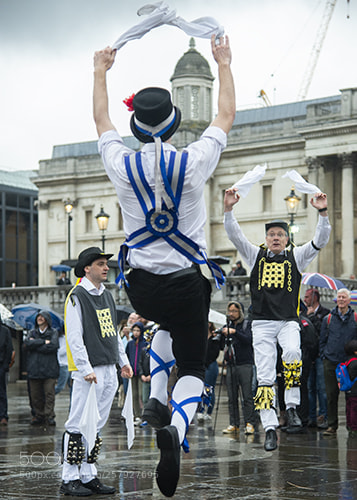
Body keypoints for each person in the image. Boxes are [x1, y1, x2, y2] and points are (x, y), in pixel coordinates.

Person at [93, 33, 235, 497]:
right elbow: (226, 116)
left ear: (136, 126)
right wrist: (225, 63)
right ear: (174, 124)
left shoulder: (121, 164)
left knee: (163, 328)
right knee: (191, 362)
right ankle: (174, 422)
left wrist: (100, 71)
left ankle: (155, 399)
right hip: (186, 283)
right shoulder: (193, 161)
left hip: (142, 287)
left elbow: (101, 120)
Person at [223, 187, 331, 451]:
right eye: (271, 234)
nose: (275, 238)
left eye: (280, 235)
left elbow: (321, 239)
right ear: (266, 238)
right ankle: (269, 426)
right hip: (261, 323)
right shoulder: (254, 256)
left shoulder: (296, 256)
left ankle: (291, 407)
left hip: (287, 321)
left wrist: (323, 212)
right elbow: (235, 236)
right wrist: (228, 209)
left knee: (293, 351)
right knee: (265, 373)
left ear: (286, 239)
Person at [60, 247, 133, 497]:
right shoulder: (77, 296)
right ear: (87, 268)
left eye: (106, 264)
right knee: (78, 423)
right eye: (100, 264)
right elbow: (74, 336)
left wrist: (122, 360)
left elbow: (112, 331)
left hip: (108, 367)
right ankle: (69, 477)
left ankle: (88, 475)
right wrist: (84, 368)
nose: (105, 268)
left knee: (97, 424)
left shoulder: (107, 295)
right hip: (88, 371)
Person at [319, 288, 357, 436]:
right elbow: (322, 340)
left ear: (349, 300)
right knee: (331, 395)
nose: (341, 299)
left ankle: (352, 426)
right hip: (331, 361)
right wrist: (324, 355)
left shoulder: (355, 317)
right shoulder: (328, 319)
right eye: (339, 297)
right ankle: (332, 425)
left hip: (350, 364)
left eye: (344, 297)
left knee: (351, 397)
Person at [219, 301, 256, 435]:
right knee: (231, 396)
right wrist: (221, 336)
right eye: (230, 311)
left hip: (245, 363)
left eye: (234, 311)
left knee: (247, 396)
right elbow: (221, 346)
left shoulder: (246, 324)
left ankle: (250, 422)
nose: (232, 314)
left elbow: (249, 339)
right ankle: (234, 423)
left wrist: (235, 332)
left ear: (240, 311)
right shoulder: (227, 326)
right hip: (231, 364)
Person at [23, 310, 59, 426]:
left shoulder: (53, 332)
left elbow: (53, 346)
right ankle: (38, 415)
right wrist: (43, 342)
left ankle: (49, 416)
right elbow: (27, 344)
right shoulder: (32, 332)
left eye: (42, 317)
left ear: (47, 320)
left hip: (49, 370)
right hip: (34, 369)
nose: (40, 318)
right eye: (38, 317)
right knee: (35, 395)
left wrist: (36, 345)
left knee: (49, 394)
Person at [303, 288, 329, 429]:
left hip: (319, 356)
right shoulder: (303, 312)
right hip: (308, 356)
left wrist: (313, 317)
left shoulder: (325, 313)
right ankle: (311, 417)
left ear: (315, 297)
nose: (305, 299)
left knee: (321, 388)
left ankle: (323, 416)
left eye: (307, 297)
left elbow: (323, 333)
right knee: (309, 388)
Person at [196, 321, 220, 422]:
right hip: (201, 364)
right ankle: (200, 410)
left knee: (209, 389)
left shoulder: (214, 338)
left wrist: (207, 361)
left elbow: (215, 352)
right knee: (200, 389)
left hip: (210, 364)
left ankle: (209, 411)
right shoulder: (200, 336)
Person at [125, 321, 147, 423]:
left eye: (138, 330)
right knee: (134, 395)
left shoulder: (145, 344)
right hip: (132, 372)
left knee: (142, 395)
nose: (136, 333)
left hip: (141, 372)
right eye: (134, 330)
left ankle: (144, 414)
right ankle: (137, 414)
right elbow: (127, 356)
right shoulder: (130, 344)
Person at [0, 315, 14, 425]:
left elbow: (9, 349)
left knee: (2, 392)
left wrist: (5, 366)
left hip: (1, 366)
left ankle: (3, 415)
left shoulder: (5, 331)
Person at [343, 339, 357, 437]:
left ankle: (349, 425)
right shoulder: (355, 363)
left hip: (348, 390)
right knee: (354, 409)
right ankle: (354, 428)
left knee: (349, 408)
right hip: (355, 391)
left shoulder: (347, 361)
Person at [55, 329, 71, 395]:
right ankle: (46, 397)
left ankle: (72, 405)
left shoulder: (69, 337)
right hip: (63, 365)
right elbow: (60, 352)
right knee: (60, 386)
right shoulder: (60, 339)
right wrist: (68, 347)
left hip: (71, 365)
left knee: (72, 387)